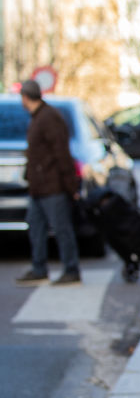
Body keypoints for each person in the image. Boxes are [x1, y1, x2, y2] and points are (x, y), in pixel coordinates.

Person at [16, 79, 81, 286]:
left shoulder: (49, 118)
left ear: (25, 97)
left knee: (61, 229)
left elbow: (62, 153)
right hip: (38, 187)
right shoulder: (37, 117)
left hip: (53, 186)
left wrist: (71, 186)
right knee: (35, 226)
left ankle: (71, 270)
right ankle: (39, 269)